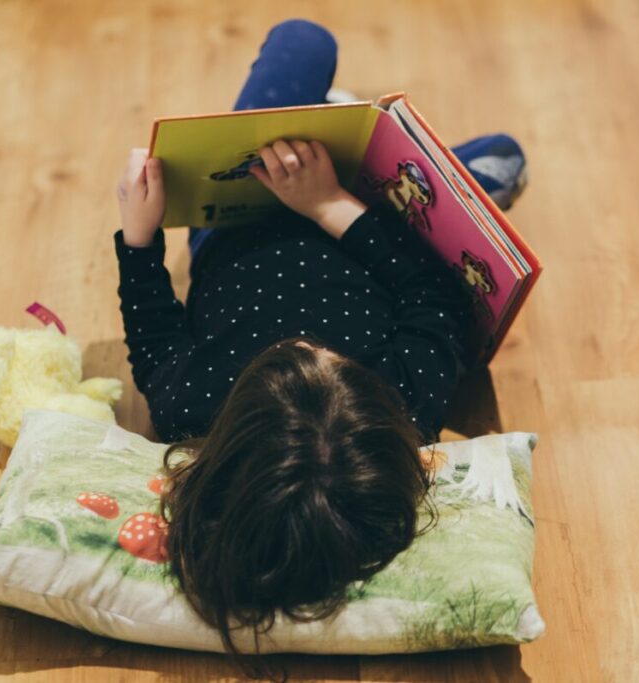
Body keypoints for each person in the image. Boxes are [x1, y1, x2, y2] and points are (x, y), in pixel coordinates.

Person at [112, 18, 527, 679]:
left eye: (282, 356)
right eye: (328, 358)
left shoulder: (192, 406)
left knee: (304, 43)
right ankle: (407, 165)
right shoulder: (399, 406)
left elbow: (153, 335)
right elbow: (435, 297)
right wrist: (331, 202)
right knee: (504, 157)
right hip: (365, 219)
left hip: (239, 213)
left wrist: (139, 236)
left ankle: (373, 144)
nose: (303, 339)